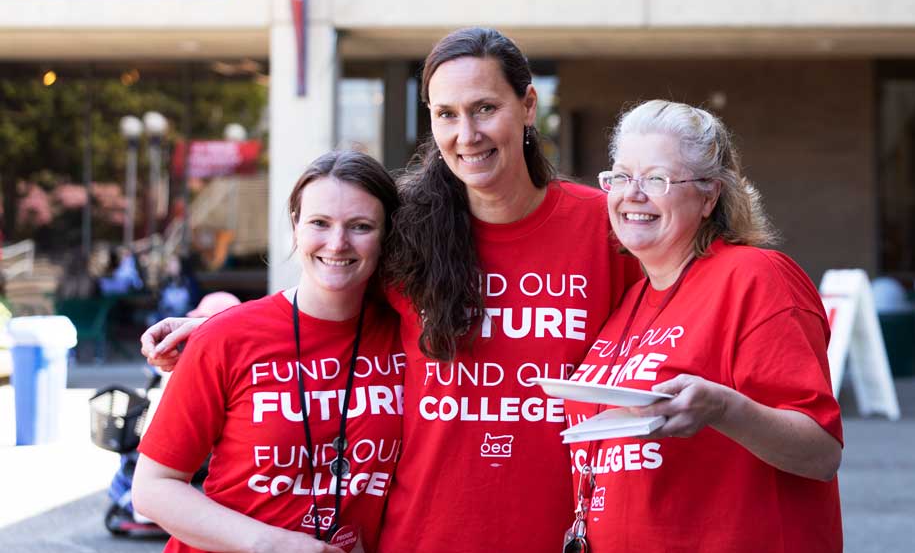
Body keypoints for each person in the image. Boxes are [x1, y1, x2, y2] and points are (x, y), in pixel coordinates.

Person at [141, 27, 641, 553]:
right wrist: (221, 330)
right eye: (446, 114)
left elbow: (666, 325)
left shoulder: (604, 227)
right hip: (421, 536)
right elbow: (327, 299)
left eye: (485, 108)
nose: (466, 134)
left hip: (559, 534)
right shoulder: (409, 229)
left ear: (528, 105)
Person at [562, 100, 843, 552]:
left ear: (710, 195)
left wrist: (725, 409)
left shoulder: (756, 278)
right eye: (620, 176)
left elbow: (822, 453)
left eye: (657, 179)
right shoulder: (630, 300)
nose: (632, 193)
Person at [132, 151, 405, 553]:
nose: (337, 242)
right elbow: (153, 488)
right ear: (295, 227)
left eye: (361, 226)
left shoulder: (408, 334)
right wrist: (273, 545)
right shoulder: (226, 339)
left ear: (386, 236)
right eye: (319, 223)